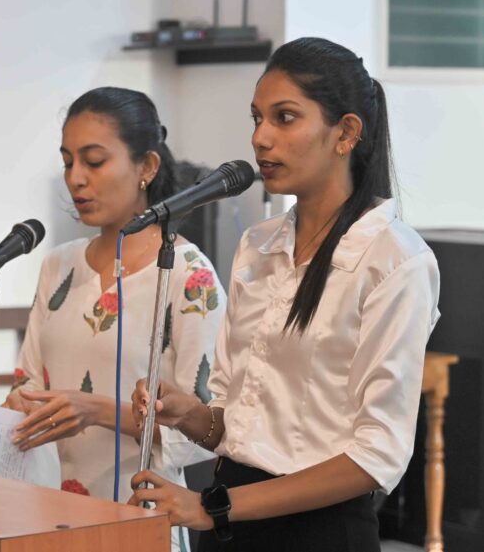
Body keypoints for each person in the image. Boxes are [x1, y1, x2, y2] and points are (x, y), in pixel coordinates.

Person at [129, 38, 441, 552]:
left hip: (317, 531)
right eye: (257, 118)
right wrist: (189, 414)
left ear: (346, 133)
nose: (261, 138)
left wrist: (214, 508)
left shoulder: (394, 260)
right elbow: (236, 426)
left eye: (285, 117)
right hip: (229, 520)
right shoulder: (258, 245)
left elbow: (376, 456)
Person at [5, 87, 226, 551]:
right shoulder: (58, 265)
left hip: (140, 517)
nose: (76, 179)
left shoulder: (189, 276)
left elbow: (205, 430)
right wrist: (16, 406)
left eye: (94, 161)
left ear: (147, 166)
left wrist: (97, 410)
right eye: (68, 162)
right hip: (46, 514)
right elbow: (28, 382)